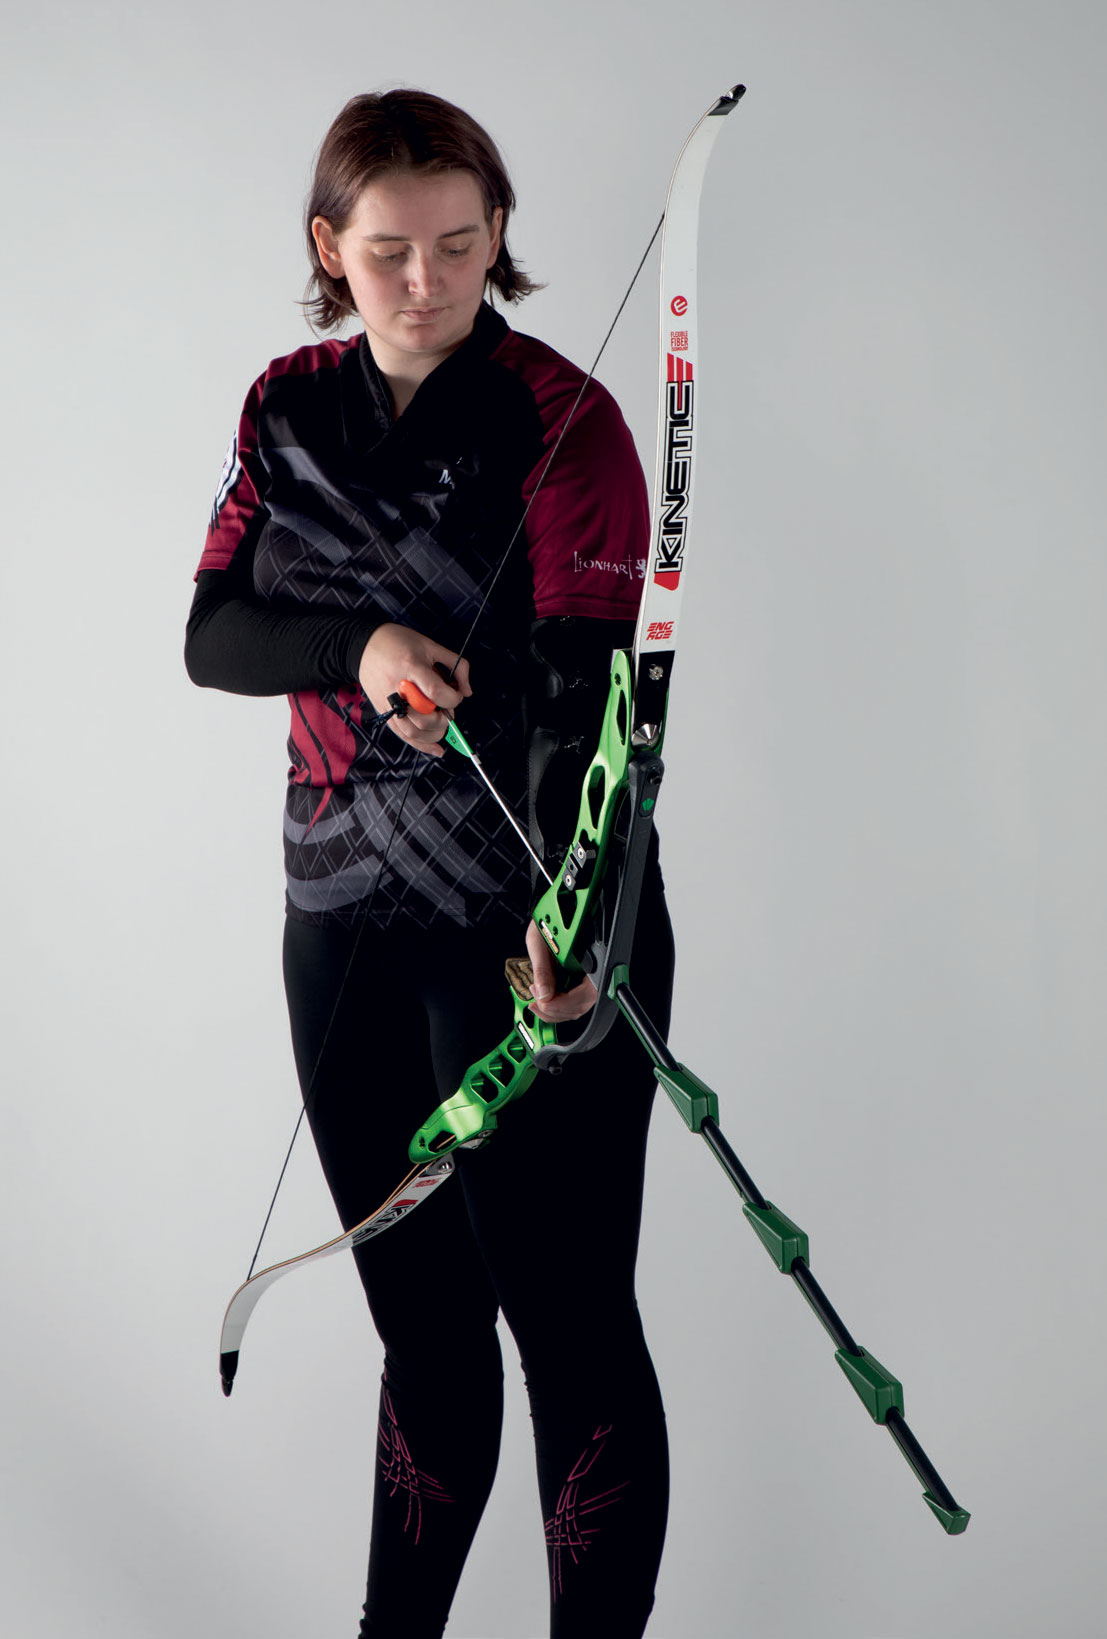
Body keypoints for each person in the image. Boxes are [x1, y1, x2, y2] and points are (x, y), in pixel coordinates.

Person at [186, 88, 675, 1639]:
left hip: (527, 938)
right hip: (340, 928)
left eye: (460, 244)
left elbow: (605, 721)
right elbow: (215, 637)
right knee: (428, 1336)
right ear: (330, 247)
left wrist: (580, 928)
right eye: (390, 249)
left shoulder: (565, 421)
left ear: (497, 234)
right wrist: (363, 645)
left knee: (571, 1339)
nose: (427, 280)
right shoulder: (284, 408)